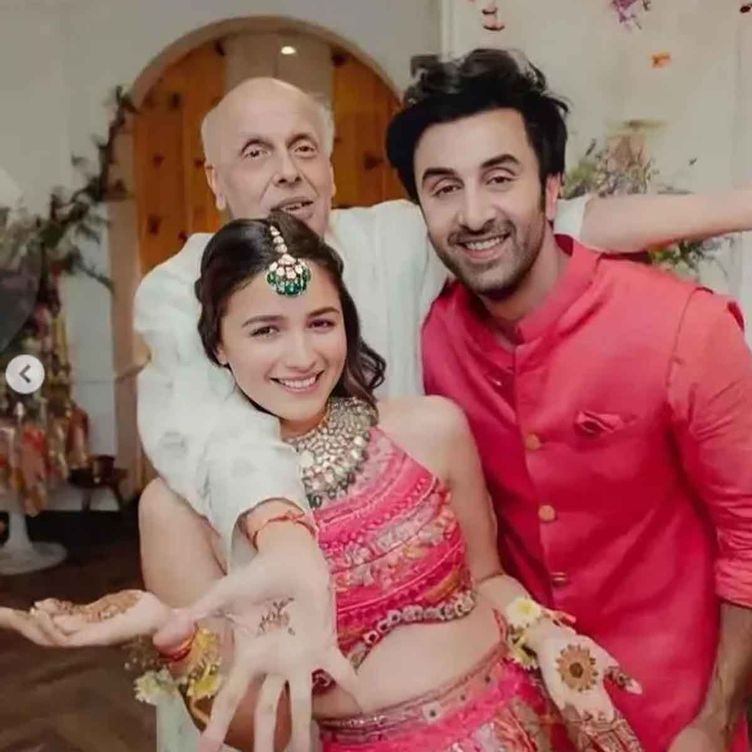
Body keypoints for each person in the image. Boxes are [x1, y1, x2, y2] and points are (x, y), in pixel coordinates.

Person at [9, 213, 645, 752]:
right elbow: (258, 733)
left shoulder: (430, 428)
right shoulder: (180, 510)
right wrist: (175, 635)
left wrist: (550, 637)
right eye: (265, 330)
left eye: (320, 322)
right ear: (219, 345)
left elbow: (489, 581)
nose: (302, 356)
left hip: (520, 724)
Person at [382, 48, 752, 752]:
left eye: (500, 178)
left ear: (551, 191)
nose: (473, 214)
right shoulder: (423, 344)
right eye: (444, 188)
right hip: (513, 721)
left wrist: (714, 720)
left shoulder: (685, 329)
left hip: (678, 722)